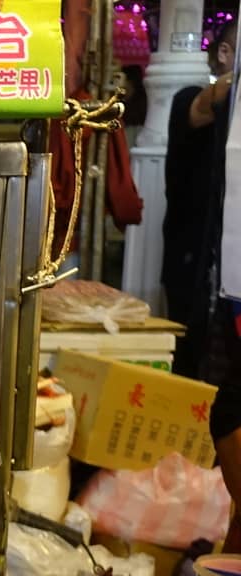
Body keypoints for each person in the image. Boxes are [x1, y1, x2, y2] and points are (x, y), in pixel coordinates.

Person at [163, 23, 234, 378]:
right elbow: (207, 104)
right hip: (192, 261)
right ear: (224, 54)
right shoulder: (189, 99)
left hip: (230, 267)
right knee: (190, 366)